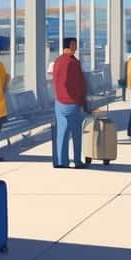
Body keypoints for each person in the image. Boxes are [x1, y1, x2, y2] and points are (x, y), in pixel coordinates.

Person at [52, 37, 87, 168]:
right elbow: (78, 84)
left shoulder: (57, 61)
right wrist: (81, 101)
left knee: (62, 132)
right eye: (75, 44)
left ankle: (62, 161)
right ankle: (77, 161)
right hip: (72, 102)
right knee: (76, 133)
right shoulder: (73, 63)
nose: (76, 47)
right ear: (71, 45)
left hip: (59, 102)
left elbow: (58, 81)